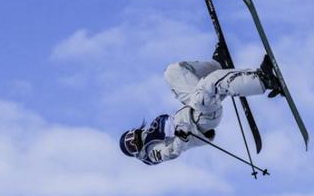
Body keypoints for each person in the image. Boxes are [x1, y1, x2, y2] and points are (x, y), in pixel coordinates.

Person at [119, 53, 282, 165]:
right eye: (131, 146)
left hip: (192, 107)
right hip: (201, 121)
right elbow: (171, 152)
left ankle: (218, 65)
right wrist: (181, 138)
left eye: (130, 138)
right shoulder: (150, 153)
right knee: (208, 86)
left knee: (172, 72)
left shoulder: (149, 132)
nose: (134, 141)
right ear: (135, 153)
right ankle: (263, 81)